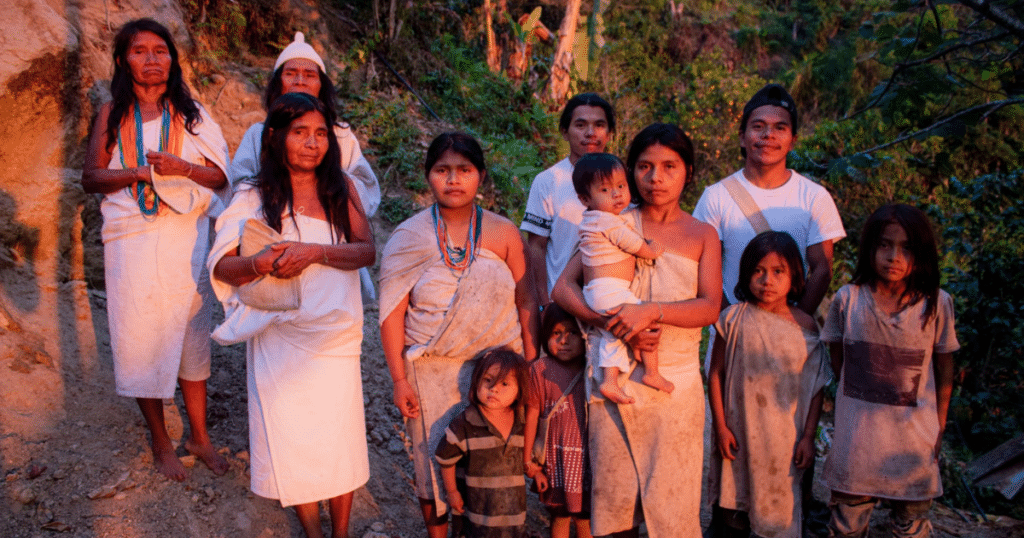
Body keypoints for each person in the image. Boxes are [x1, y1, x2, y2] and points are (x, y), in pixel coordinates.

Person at [208, 92, 375, 538]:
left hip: (336, 336)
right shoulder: (253, 193)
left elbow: (366, 251)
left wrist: (316, 252)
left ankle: (339, 532)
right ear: (276, 137)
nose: (312, 143)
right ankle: (313, 533)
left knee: (339, 439)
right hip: (279, 337)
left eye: (321, 133)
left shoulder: (342, 187)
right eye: (300, 132)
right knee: (292, 439)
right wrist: (258, 263)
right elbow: (222, 263)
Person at [553, 123, 722, 538]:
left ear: (689, 171)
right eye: (644, 166)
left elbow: (710, 306)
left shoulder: (703, 234)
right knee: (615, 508)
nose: (655, 177)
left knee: (674, 512)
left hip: (674, 384)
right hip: (615, 380)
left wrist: (650, 312)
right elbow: (563, 287)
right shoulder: (610, 221)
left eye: (669, 166)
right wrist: (610, 322)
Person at [81, 18, 230, 482]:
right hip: (133, 240)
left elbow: (220, 177)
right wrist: (142, 175)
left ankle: (199, 436)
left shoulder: (193, 115)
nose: (151, 58)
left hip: (184, 238)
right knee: (143, 338)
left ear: (172, 58)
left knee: (192, 335)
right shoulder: (112, 114)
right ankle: (161, 440)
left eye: (160, 50)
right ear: (124, 60)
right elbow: (92, 177)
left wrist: (182, 167)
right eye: (139, 50)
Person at [379, 132, 538, 538]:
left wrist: (532, 362)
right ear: (428, 176)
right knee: (432, 465)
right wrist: (400, 379)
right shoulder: (409, 236)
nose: (454, 179)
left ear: (480, 176)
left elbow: (525, 298)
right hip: (430, 373)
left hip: (497, 370)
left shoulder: (503, 233)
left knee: (494, 465)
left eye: (464, 170)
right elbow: (392, 314)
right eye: (442, 170)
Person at [820, 204, 958, 538]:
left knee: (911, 525)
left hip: (912, 445)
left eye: (906, 248)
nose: (893, 256)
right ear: (869, 248)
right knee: (847, 526)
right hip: (857, 443)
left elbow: (944, 369)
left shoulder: (936, 304)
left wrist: (938, 424)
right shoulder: (848, 300)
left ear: (921, 253)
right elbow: (838, 359)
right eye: (884, 245)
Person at [228, 31, 379, 299]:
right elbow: (240, 181)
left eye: (310, 75)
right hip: (274, 240)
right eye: (291, 73)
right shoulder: (258, 133)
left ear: (322, 84)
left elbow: (364, 185)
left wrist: (325, 196)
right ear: (278, 83)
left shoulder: (341, 134)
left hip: (333, 243)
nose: (300, 80)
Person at [707, 231, 828, 538]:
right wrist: (721, 428)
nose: (766, 280)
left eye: (778, 272)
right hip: (737, 434)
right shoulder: (733, 319)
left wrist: (808, 437)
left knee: (777, 515)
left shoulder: (805, 327)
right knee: (733, 509)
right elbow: (716, 373)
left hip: (783, 441)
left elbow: (815, 387)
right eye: (758, 271)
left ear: (795, 276)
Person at [693, 83, 845, 317]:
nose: (768, 135)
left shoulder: (814, 197)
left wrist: (793, 324)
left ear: (793, 140)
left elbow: (822, 270)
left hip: (788, 344)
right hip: (731, 339)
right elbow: (700, 268)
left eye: (780, 128)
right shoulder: (716, 196)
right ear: (742, 137)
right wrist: (730, 323)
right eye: (758, 126)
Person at [571, 153, 669, 403]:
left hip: (599, 292)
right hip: (610, 290)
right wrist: (652, 249)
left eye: (621, 186)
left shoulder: (592, 221)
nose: (616, 194)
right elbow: (634, 244)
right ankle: (652, 372)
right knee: (644, 319)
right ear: (585, 199)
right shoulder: (606, 221)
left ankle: (609, 381)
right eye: (605, 189)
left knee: (611, 337)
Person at [521, 93, 615, 305]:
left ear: (609, 133)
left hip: (609, 302)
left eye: (599, 125)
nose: (590, 133)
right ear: (565, 132)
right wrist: (545, 303)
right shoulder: (548, 181)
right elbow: (537, 247)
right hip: (561, 304)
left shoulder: (623, 184)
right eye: (580, 125)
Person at [435, 348, 530, 538]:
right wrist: (452, 492)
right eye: (488, 380)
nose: (494, 389)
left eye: (504, 383)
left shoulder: (522, 422)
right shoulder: (466, 421)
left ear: (520, 389)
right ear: (476, 381)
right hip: (478, 515)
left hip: (513, 515)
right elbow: (446, 458)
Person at [523, 304, 592, 538]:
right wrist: (529, 461)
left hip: (586, 464)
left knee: (585, 520)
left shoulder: (591, 368)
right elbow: (532, 415)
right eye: (556, 333)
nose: (564, 340)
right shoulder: (540, 370)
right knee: (559, 516)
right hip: (555, 462)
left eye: (573, 332)